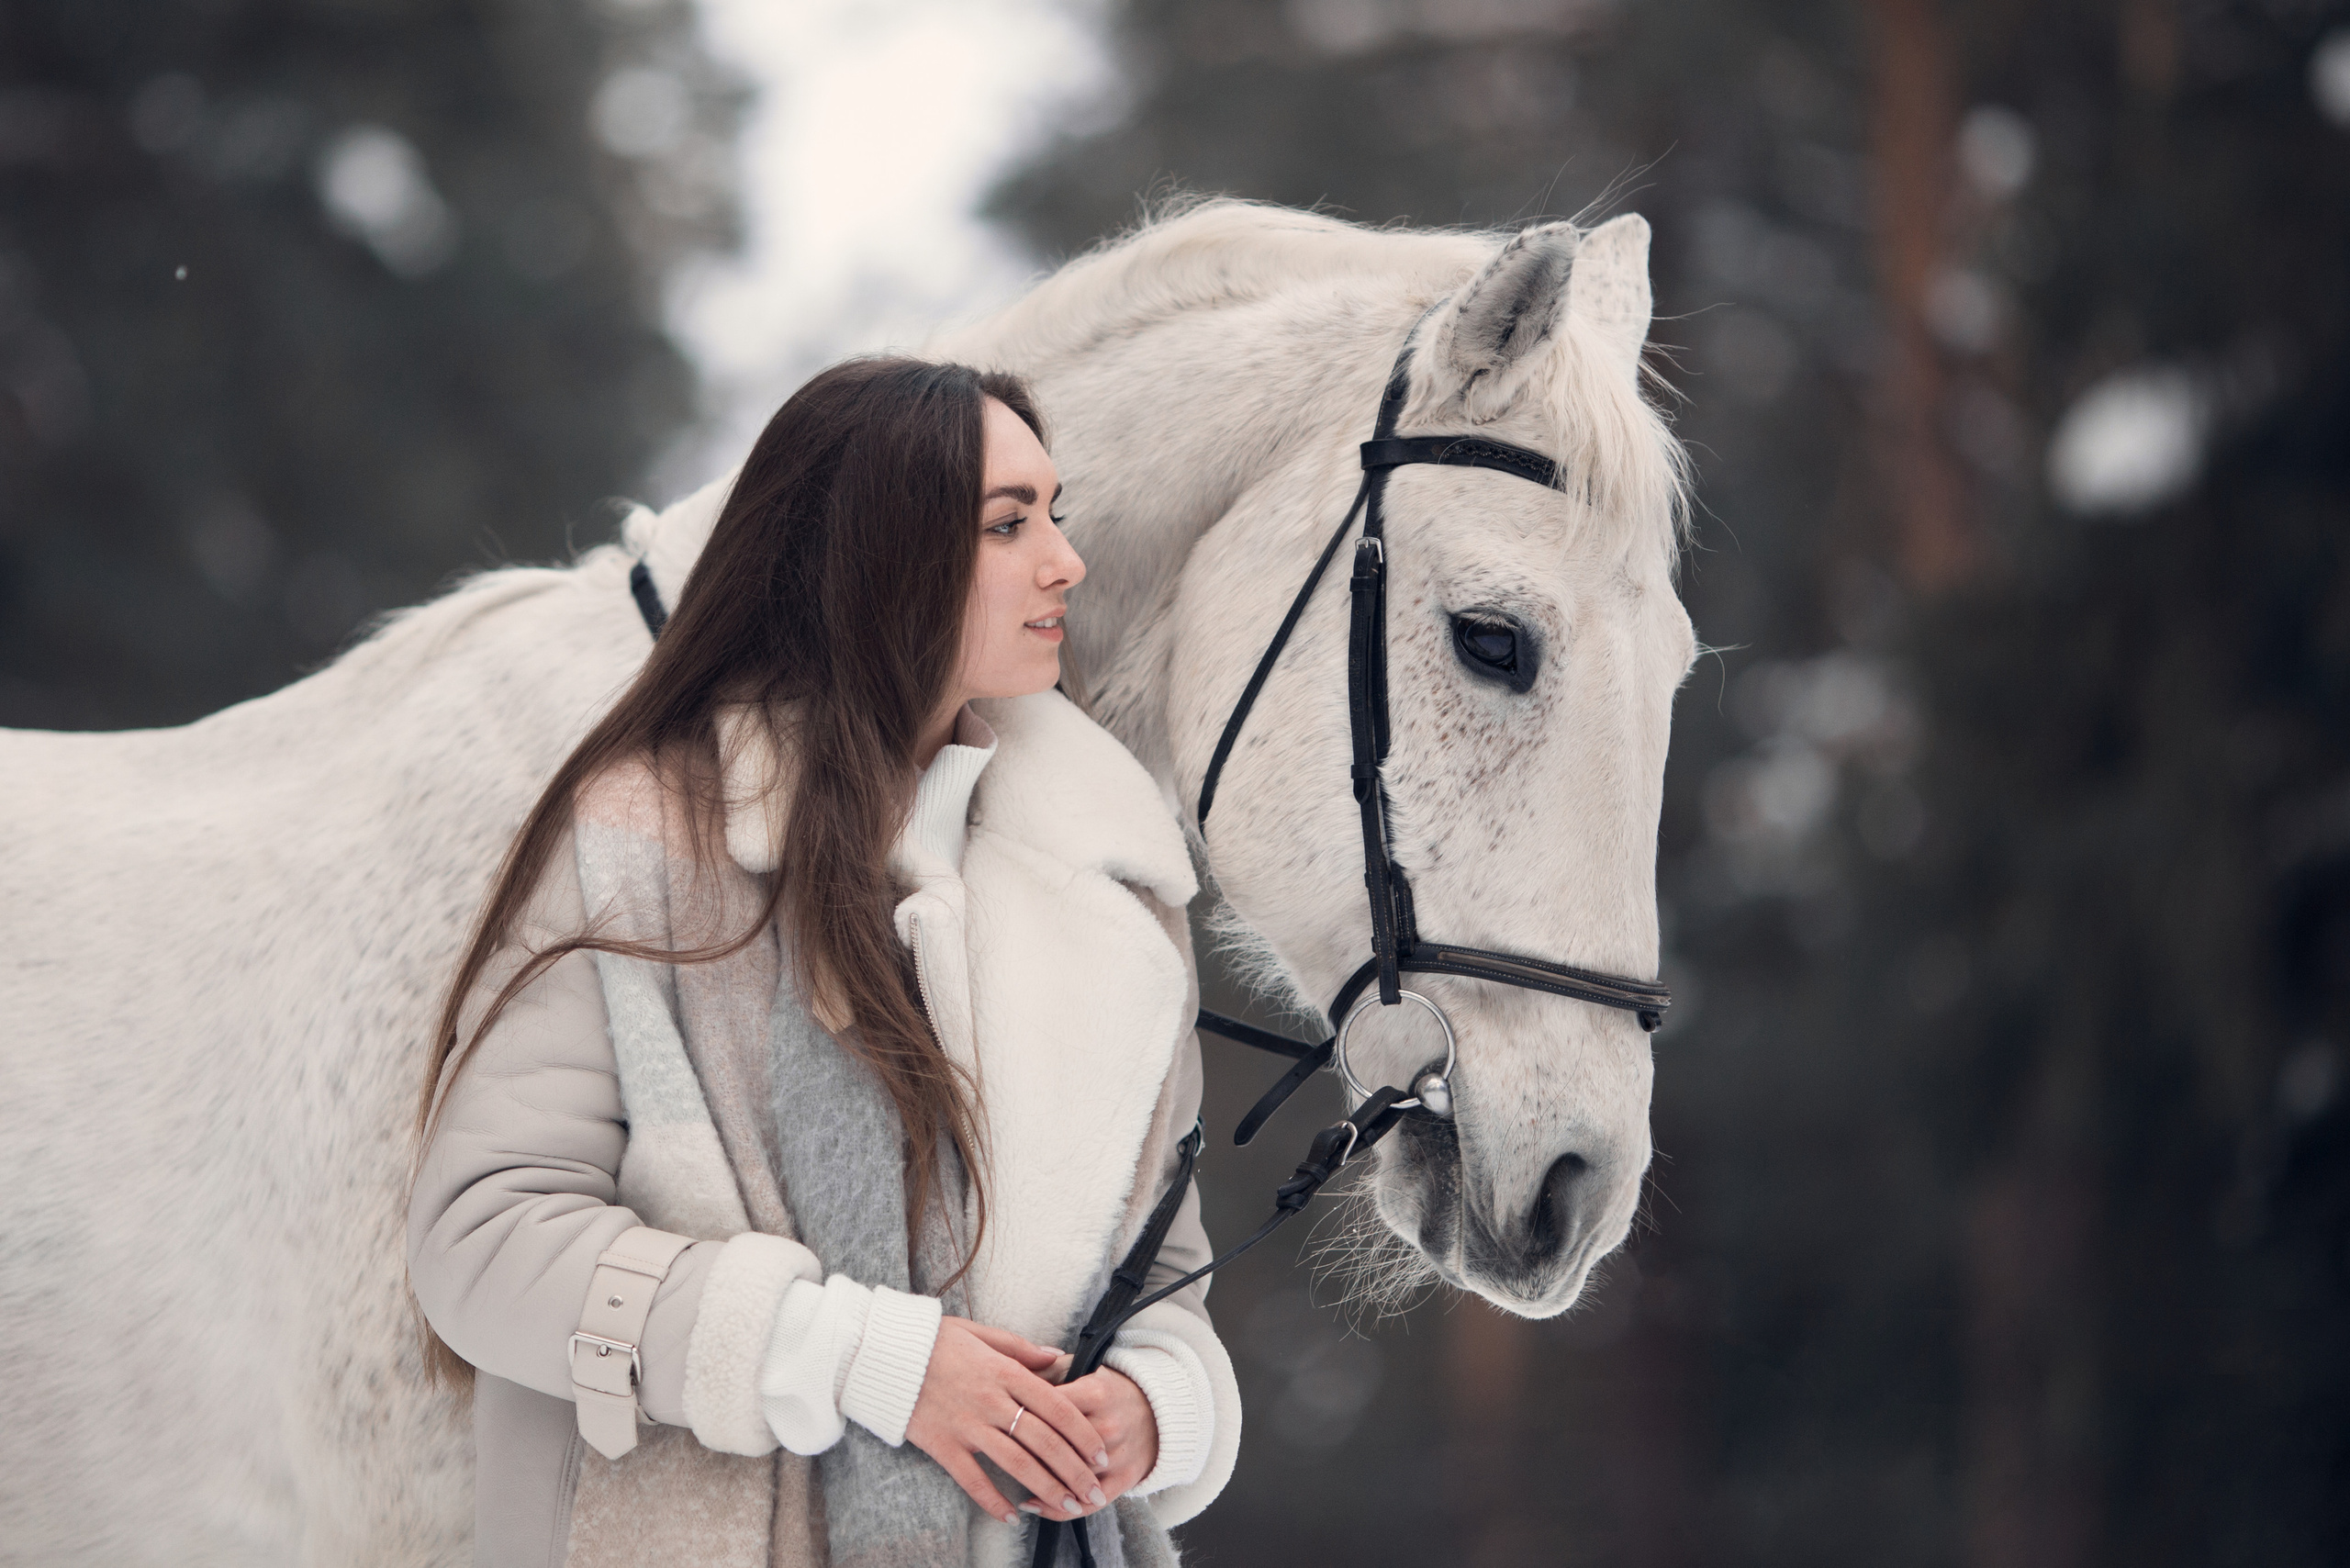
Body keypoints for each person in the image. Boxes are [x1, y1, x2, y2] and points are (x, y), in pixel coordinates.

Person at [407, 356, 1238, 1568]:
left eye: (1054, 517)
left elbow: (1167, 1280)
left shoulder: (1116, 897)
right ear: (876, 552)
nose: (1066, 563)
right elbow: (484, 1241)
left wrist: (1153, 1409)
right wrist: (861, 1361)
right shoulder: (644, 846)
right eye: (1009, 524)